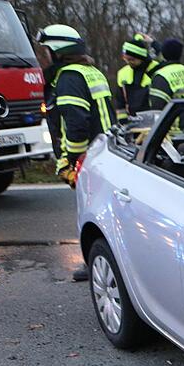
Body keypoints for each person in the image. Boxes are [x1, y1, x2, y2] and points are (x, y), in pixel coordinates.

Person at [35, 24, 116, 281]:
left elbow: (76, 123)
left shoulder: (69, 77)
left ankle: (94, 262)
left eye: (45, 50)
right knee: (105, 210)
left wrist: (71, 160)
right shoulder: (91, 71)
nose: (42, 56)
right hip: (106, 150)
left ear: (59, 51)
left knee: (89, 212)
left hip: (88, 156)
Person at [114, 33, 160, 122]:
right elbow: (120, 102)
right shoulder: (123, 73)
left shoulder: (156, 69)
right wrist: (123, 121)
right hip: (132, 121)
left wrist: (153, 43)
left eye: (131, 59)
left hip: (153, 121)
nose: (128, 62)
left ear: (141, 57)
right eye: (126, 59)